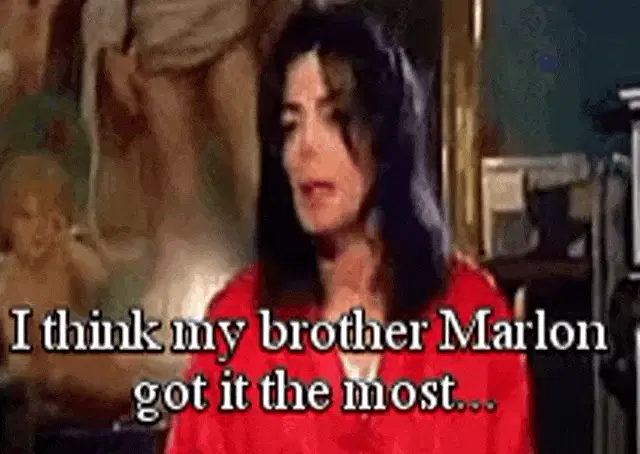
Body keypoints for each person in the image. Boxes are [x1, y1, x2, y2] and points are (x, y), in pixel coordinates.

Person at [166, 5, 533, 453]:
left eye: (335, 117)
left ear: (386, 135)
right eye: (290, 125)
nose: (304, 148)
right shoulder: (236, 325)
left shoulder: (473, 313)